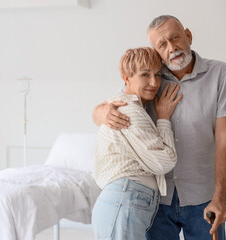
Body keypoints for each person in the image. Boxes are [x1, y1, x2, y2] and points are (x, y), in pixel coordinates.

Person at [92, 15, 226, 240]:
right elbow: (116, 103)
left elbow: (224, 142)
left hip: (203, 198)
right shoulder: (150, 77)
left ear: (188, 36)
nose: (172, 48)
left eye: (176, 38)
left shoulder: (220, 74)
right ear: (156, 51)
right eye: (162, 44)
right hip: (157, 201)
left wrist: (220, 198)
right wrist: (100, 112)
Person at [92, 47, 182, 240]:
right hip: (125, 198)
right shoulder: (129, 110)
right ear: (126, 78)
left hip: (124, 200)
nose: (154, 82)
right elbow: (164, 162)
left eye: (157, 74)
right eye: (145, 75)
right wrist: (164, 118)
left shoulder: (121, 106)